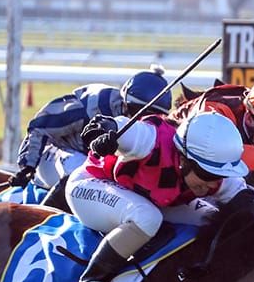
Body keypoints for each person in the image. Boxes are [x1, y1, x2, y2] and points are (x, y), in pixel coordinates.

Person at [63, 111, 254, 282]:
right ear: (184, 158)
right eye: (208, 173)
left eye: (221, 175)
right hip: (90, 185)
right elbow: (119, 127)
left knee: (209, 219)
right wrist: (103, 130)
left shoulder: (218, 177)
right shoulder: (150, 140)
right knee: (148, 217)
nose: (213, 183)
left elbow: (249, 200)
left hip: (145, 199)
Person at [10, 65, 174, 192]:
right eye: (138, 112)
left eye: (152, 116)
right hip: (53, 154)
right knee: (81, 169)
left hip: (92, 161)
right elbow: (40, 127)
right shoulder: (91, 105)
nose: (141, 120)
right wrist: (27, 166)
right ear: (125, 102)